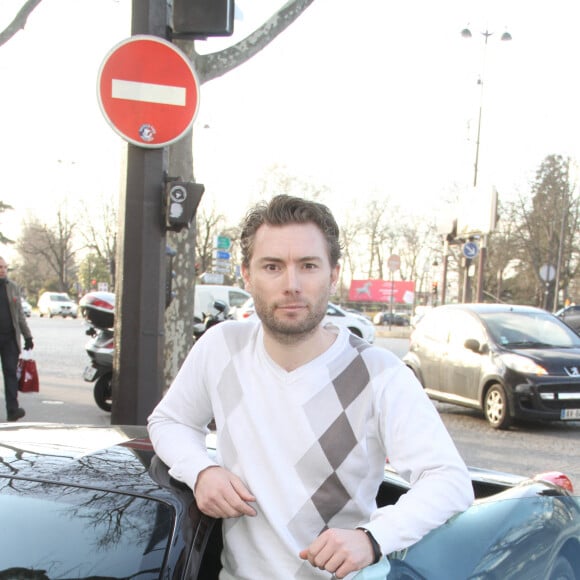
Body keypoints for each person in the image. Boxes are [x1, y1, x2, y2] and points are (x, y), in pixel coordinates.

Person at [148, 195, 474, 579]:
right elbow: (169, 421)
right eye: (273, 266)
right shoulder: (222, 348)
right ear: (247, 275)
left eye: (308, 265)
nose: (292, 284)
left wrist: (372, 537)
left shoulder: (379, 373)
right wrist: (201, 471)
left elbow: (449, 481)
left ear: (333, 274)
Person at [0, 257, 34, 422]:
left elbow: (20, 315)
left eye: (5, 267)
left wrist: (27, 336)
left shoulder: (13, 288)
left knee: (10, 374)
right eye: (0, 267)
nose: (3, 270)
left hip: (10, 339)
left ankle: (12, 410)